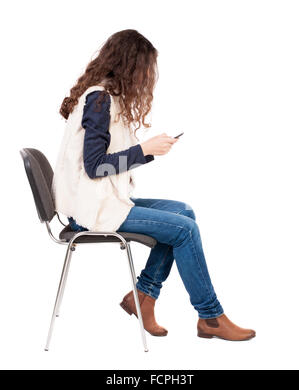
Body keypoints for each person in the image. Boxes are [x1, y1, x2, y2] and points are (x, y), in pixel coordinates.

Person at [52, 29, 255, 341]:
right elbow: (94, 167)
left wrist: (147, 152)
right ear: (129, 66)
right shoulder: (99, 101)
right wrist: (144, 150)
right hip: (91, 209)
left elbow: (101, 163)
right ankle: (210, 316)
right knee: (185, 230)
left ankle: (142, 297)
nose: (148, 76)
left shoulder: (104, 97)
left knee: (184, 213)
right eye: (146, 68)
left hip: (102, 200)